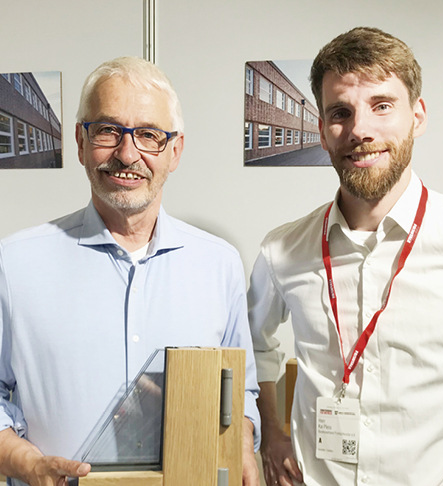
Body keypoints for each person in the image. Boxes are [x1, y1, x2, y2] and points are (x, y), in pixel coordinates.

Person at [248, 27, 443, 486]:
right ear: (323, 133)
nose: (360, 130)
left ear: (418, 116)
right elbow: (254, 346)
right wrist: (271, 432)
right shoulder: (281, 251)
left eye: (382, 105)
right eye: (340, 113)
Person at [0, 57, 260, 486]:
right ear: (81, 143)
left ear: (174, 151)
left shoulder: (220, 265)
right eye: (107, 131)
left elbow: (242, 394)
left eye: (148, 135)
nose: (127, 153)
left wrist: (242, 442)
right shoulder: (14, 264)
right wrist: (27, 464)